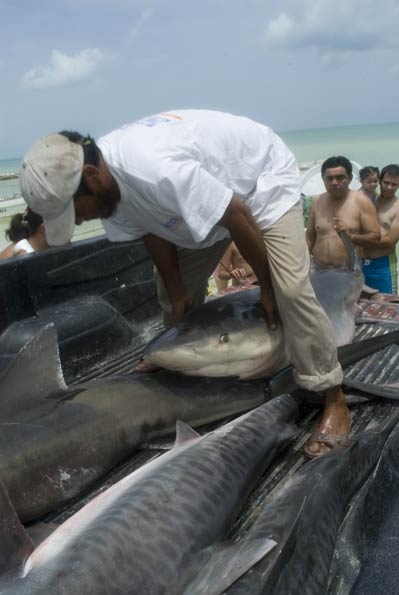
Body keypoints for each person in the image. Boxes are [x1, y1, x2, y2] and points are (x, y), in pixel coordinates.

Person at [20, 110, 350, 458]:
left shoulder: (154, 168)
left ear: (91, 176)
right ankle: (181, 364)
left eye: (77, 212)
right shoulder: (107, 190)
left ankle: (331, 394)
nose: (82, 220)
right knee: (169, 291)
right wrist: (179, 296)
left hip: (259, 183)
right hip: (213, 200)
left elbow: (237, 216)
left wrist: (267, 288)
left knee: (291, 291)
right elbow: (151, 229)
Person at [306, 156, 380, 269]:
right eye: (329, 178)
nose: (334, 182)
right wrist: (303, 265)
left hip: (348, 272)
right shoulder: (317, 201)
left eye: (340, 177)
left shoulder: (362, 202)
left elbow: (375, 238)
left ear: (350, 178)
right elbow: (310, 237)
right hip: (318, 270)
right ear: (322, 179)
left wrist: (351, 236)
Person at [362, 164, 399, 293]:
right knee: (360, 303)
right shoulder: (368, 200)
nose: (389, 187)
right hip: (360, 263)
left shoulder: (397, 207)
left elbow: (389, 241)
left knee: (388, 304)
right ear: (379, 181)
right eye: (386, 182)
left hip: (383, 265)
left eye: (394, 184)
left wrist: (357, 240)